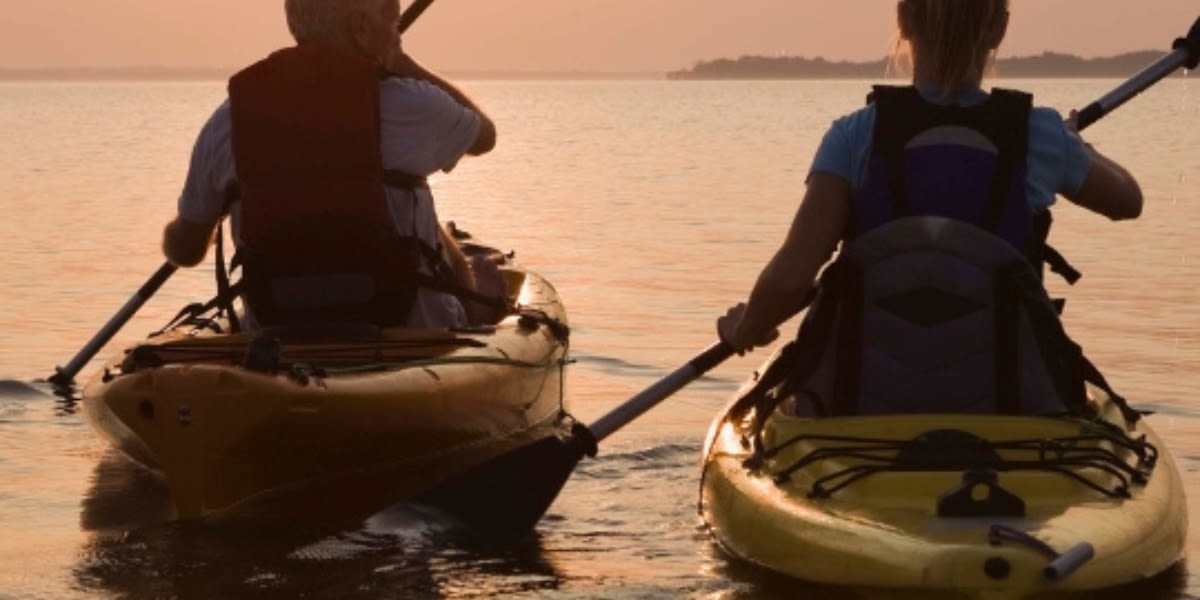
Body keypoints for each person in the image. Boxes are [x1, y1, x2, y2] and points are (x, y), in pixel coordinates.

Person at [718, 0, 1144, 417]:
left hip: (864, 400)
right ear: (999, 29)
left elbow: (791, 277)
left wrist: (748, 327)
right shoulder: (1041, 134)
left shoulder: (852, 136)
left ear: (904, 20)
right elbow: (1128, 200)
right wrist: (1078, 148)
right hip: (1006, 400)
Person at [161, 0, 504, 330]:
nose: (396, 30)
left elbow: (186, 251)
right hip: (408, 333)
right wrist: (403, 62)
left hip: (277, 332)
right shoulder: (415, 105)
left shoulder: (228, 121)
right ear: (360, 27)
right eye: (390, 15)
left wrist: (204, 218)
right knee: (458, 252)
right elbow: (484, 137)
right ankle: (474, 311)